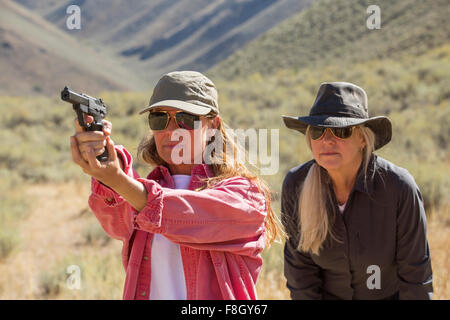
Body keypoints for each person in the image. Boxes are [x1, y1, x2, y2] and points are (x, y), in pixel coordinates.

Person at [70, 71, 279, 300]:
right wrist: (106, 160)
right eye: (159, 118)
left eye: (185, 119)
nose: (171, 131)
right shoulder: (142, 190)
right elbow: (118, 217)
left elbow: (185, 213)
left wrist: (118, 179)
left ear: (212, 125)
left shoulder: (246, 196)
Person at [281, 82, 433, 300]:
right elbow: (301, 274)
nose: (327, 140)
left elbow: (416, 277)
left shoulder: (399, 188)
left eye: (341, 130)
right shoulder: (296, 184)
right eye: (317, 131)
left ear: (363, 138)